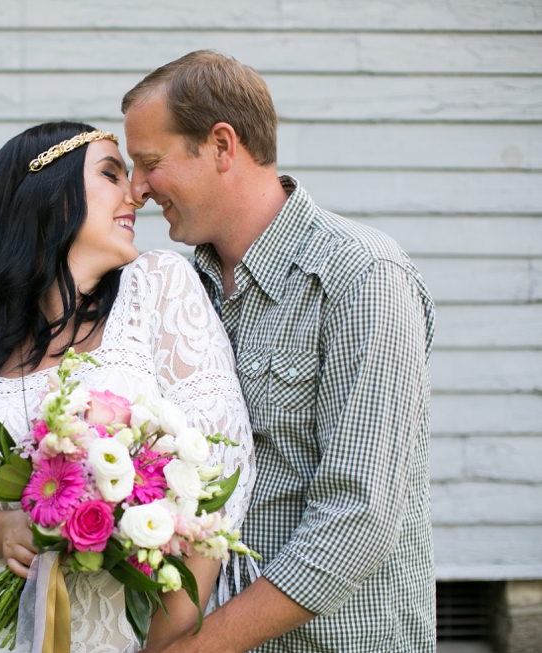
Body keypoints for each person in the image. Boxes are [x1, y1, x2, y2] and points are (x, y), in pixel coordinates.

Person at [0, 122, 256, 653]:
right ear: (49, 197)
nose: (135, 195)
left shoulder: (157, 287)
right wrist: (3, 531)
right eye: (111, 174)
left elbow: (223, 480)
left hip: (130, 635)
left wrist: (162, 642)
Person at [121, 51, 436, 653]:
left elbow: (359, 514)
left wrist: (201, 648)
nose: (137, 189)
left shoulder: (360, 275)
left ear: (220, 145)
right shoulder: (183, 290)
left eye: (150, 163)